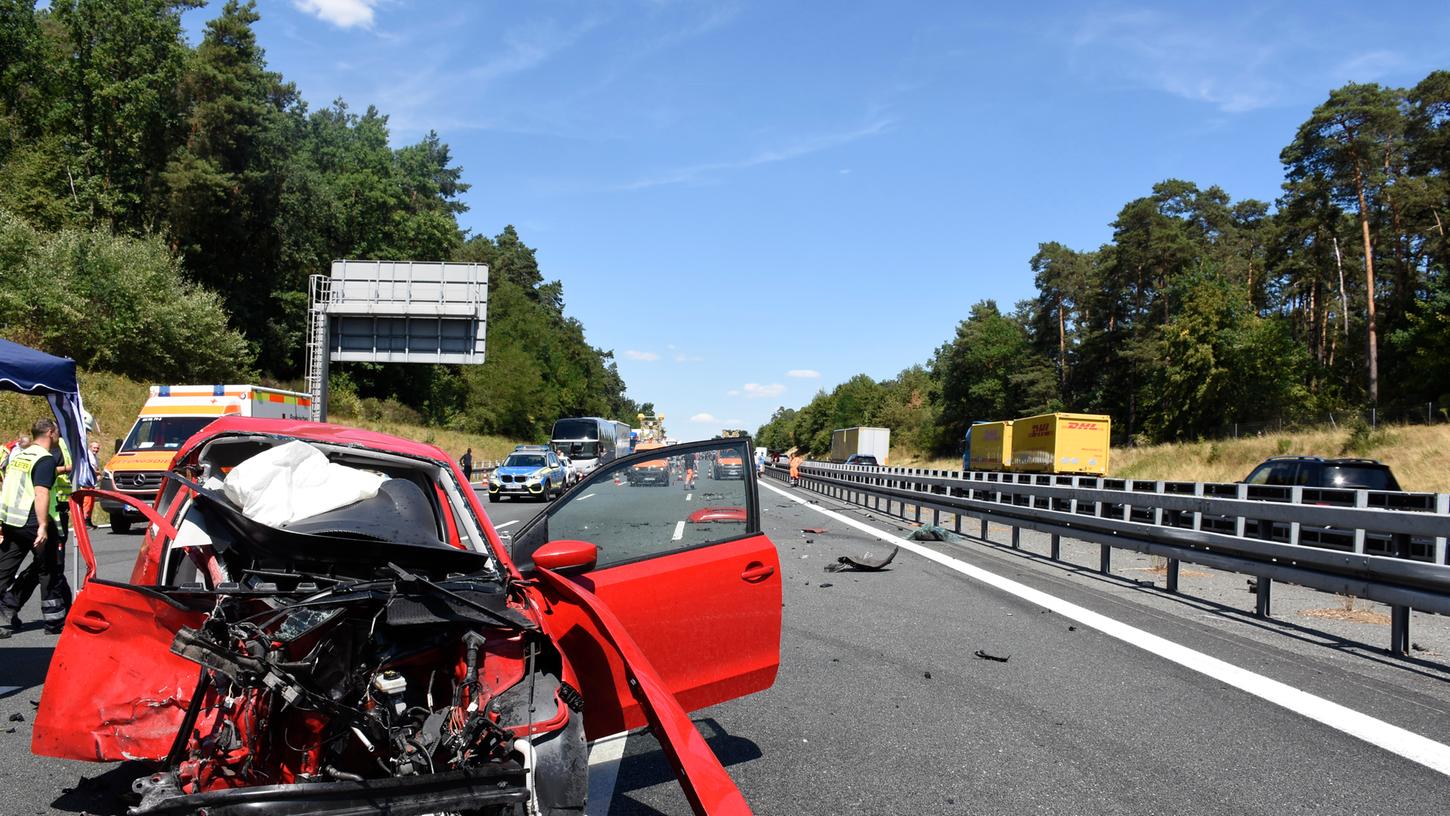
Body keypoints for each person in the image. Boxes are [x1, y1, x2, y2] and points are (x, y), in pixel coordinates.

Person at [0, 419, 65, 637]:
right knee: (50, 568)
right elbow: (41, 493)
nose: (58, 436)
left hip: (12, 521)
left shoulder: (19, 455)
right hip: (32, 521)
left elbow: (7, 487)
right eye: (57, 432)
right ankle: (54, 622)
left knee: (4, 568)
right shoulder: (44, 459)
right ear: (49, 432)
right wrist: (43, 526)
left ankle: (7, 606)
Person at [81, 440, 101, 528]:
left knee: (91, 502)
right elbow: (90, 468)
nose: (96, 450)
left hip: (92, 483)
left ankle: (88, 520)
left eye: (97, 448)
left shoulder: (94, 456)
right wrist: (97, 473)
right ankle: (84, 521)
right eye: (94, 448)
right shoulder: (88, 455)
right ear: (90, 447)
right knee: (87, 502)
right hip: (86, 483)